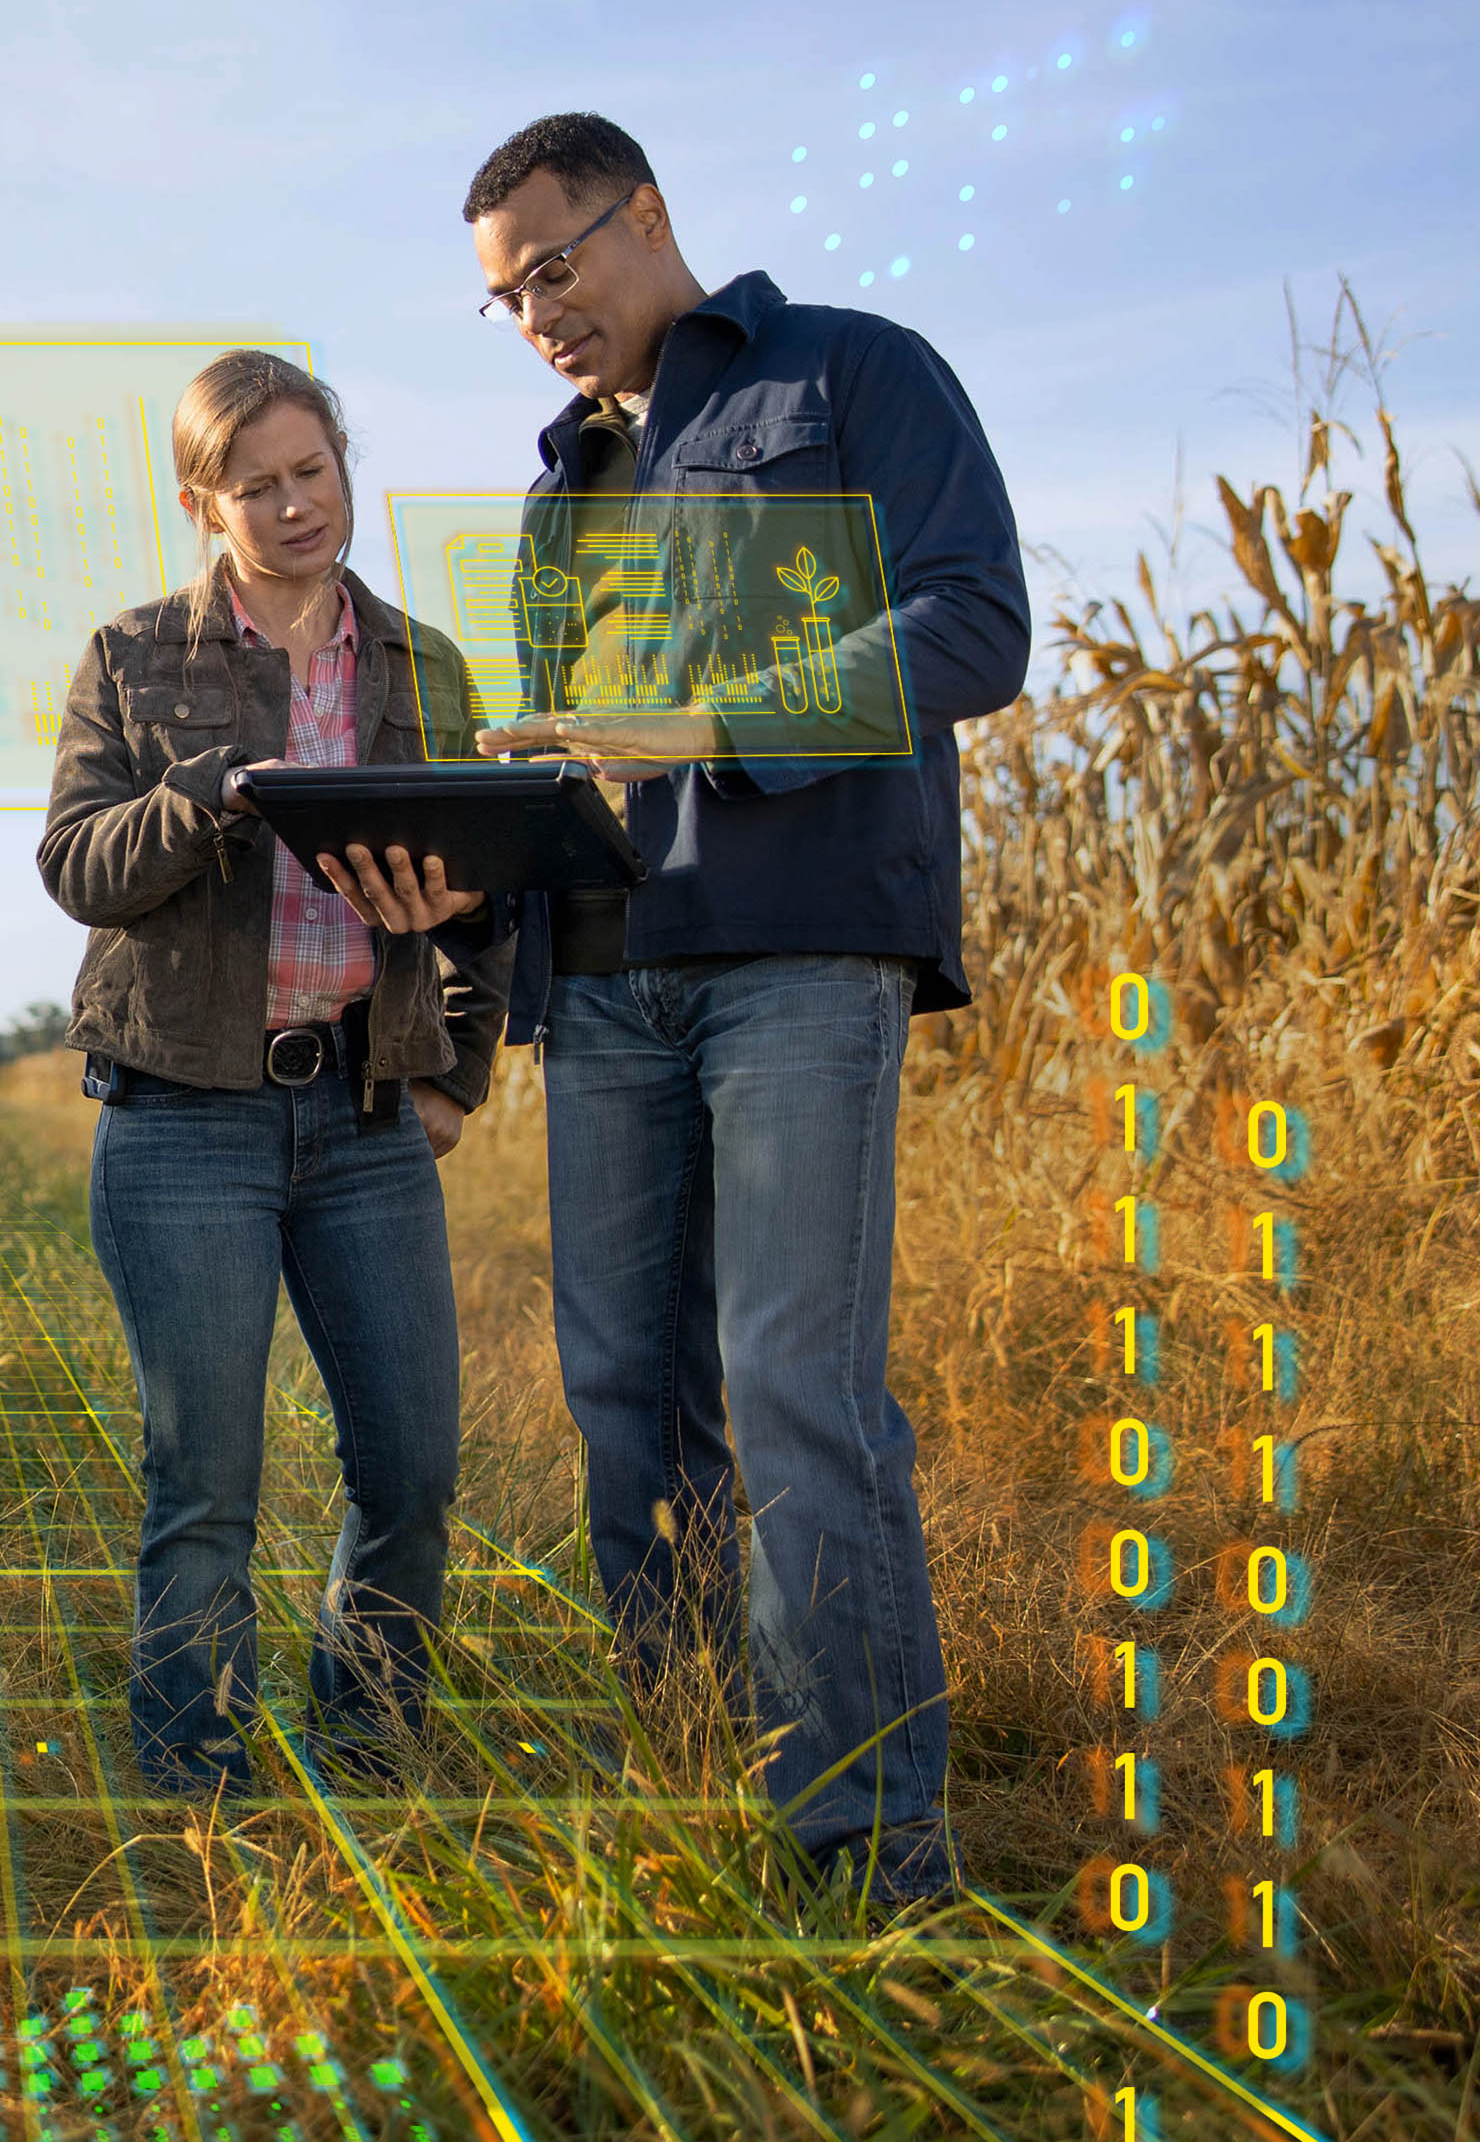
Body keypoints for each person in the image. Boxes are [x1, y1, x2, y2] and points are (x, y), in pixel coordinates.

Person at [457, 112, 1031, 1913]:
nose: (539, 313)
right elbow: (580, 746)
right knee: (625, 1394)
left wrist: (706, 728)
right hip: (608, 978)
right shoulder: (560, 494)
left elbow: (975, 629)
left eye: (554, 265)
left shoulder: (849, 369)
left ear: (650, 217)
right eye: (504, 298)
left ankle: (870, 1846)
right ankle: (703, 1773)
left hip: (797, 954)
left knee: (794, 1384)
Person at [39, 348, 516, 1800]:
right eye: (260, 484)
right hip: (184, 1120)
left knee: (411, 1474)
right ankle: (196, 1794)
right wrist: (200, 799)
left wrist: (457, 1078)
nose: (298, 504)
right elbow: (75, 866)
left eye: (315, 470)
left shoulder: (426, 666)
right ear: (204, 502)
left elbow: (501, 891)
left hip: (367, 1119)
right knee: (207, 1489)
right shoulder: (135, 659)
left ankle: (366, 1765)